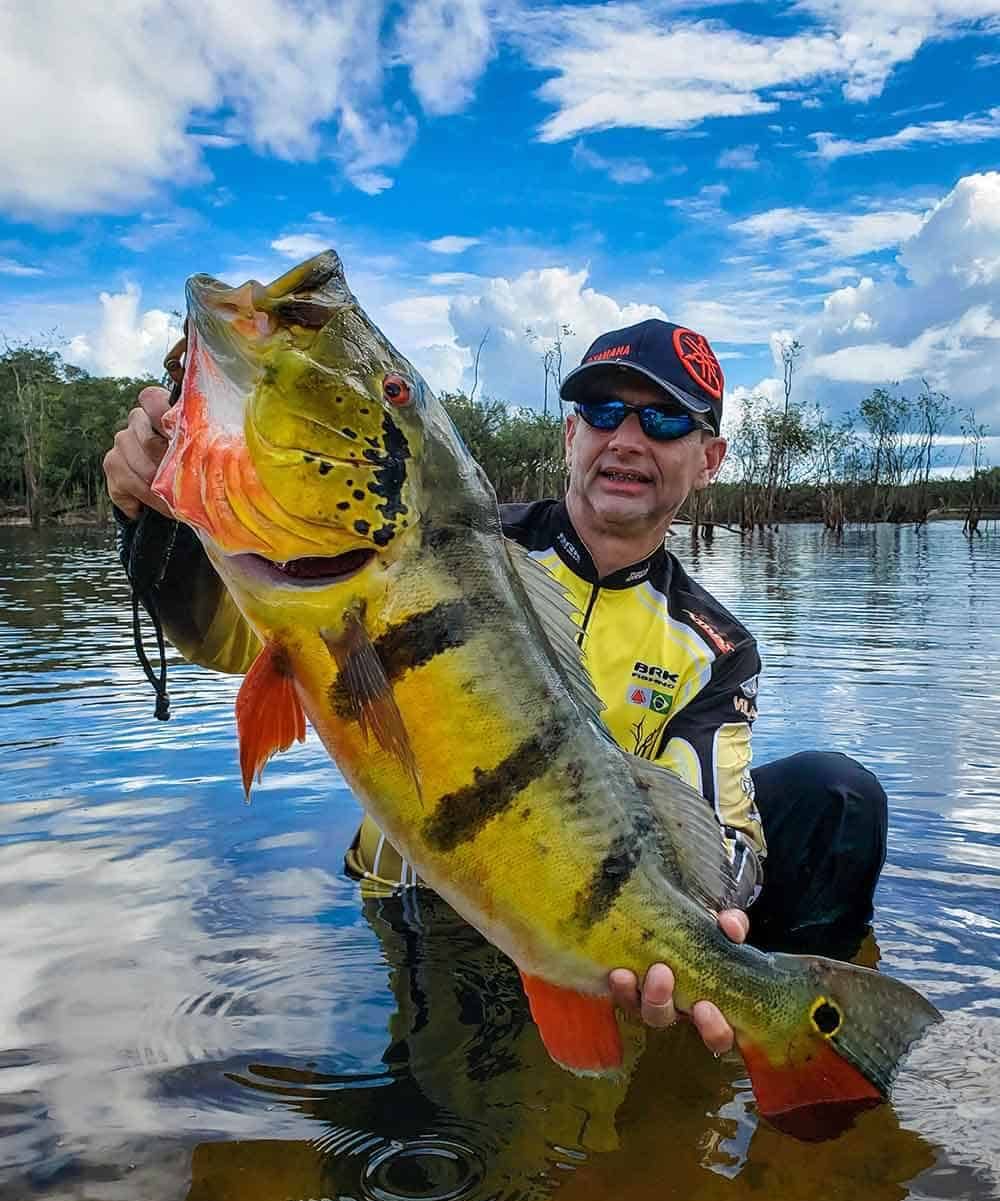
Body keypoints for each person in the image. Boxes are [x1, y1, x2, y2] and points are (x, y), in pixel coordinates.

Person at [103, 317, 887, 1058]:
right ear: (571, 433)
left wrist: (713, 930)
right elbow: (227, 637)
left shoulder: (715, 646)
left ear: (709, 460)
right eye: (604, 409)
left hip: (601, 898)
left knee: (835, 798)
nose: (627, 438)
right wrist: (153, 519)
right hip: (427, 908)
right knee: (448, 1179)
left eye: (665, 420)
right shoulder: (453, 541)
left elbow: (721, 821)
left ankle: (786, 1061)